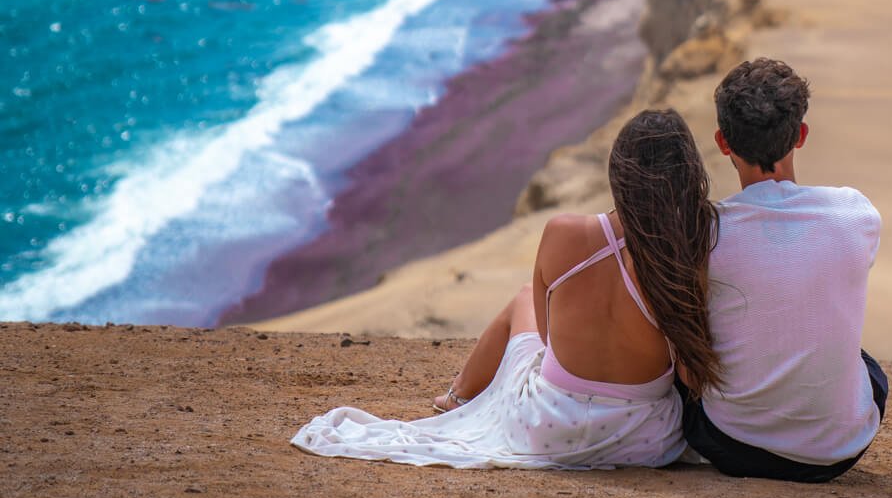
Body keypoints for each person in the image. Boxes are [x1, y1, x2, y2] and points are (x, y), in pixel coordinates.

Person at [291, 109, 719, 472]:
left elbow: (548, 339)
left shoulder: (565, 233)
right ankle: (458, 394)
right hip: (643, 441)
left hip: (549, 428)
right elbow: (689, 374)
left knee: (520, 300)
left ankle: (457, 396)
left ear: (618, 175)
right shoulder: (685, 256)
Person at [678, 57, 887, 483]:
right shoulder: (855, 214)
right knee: (866, 365)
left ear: (722, 141)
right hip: (839, 452)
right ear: (801, 135)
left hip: (732, 446)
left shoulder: (706, 232)